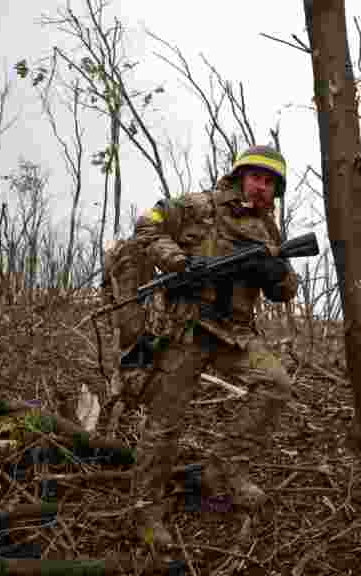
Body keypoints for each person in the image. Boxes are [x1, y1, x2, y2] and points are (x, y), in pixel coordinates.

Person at [129, 145, 299, 547]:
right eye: (256, 177)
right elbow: (146, 227)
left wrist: (274, 274)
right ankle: (143, 510)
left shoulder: (269, 232)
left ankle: (222, 471)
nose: (262, 187)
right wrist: (177, 262)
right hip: (186, 327)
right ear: (240, 176)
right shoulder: (197, 206)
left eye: (270, 182)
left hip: (235, 334)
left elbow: (286, 288)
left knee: (275, 384)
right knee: (164, 423)